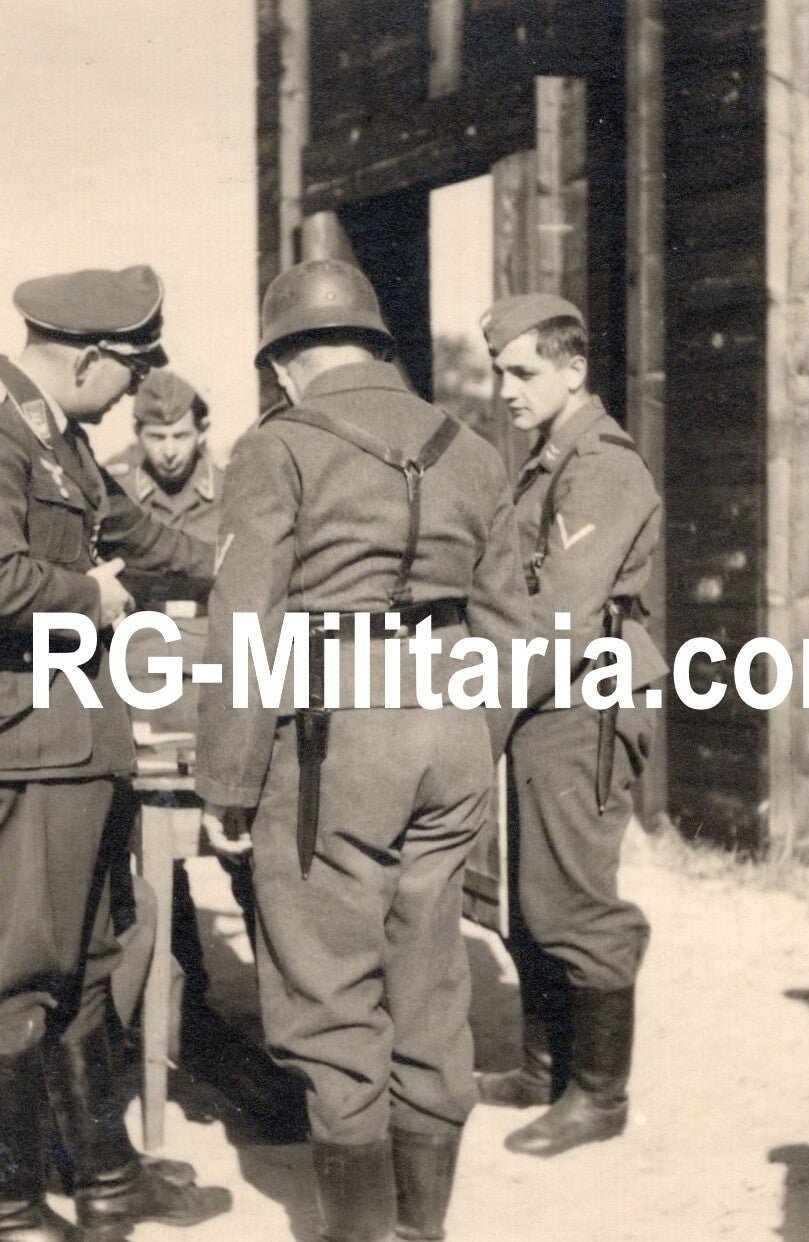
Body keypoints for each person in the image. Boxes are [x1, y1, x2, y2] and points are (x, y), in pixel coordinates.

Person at [196, 258, 531, 1242]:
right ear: (378, 348)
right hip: (451, 725)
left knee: (328, 994)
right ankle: (421, 1231)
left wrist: (228, 780)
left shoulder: (277, 446)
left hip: (334, 733)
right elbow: (513, 626)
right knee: (427, 977)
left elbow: (246, 622)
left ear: (288, 360)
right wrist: (475, 730)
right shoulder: (471, 448)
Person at [0, 265, 231, 1239]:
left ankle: (104, 1176)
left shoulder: (63, 443)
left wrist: (244, 563)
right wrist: (89, 597)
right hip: (32, 746)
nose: (138, 393)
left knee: (94, 961)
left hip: (83, 747)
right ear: (90, 355)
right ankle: (11, 1201)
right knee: (17, 976)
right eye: (132, 371)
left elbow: (138, 536)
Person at [476, 293, 668, 1158]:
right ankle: (543, 1068)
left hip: (580, 699)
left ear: (573, 368)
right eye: (498, 372)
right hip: (545, 699)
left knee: (574, 904)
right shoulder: (549, 458)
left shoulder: (600, 465)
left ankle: (599, 1097)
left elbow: (559, 617)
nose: (505, 388)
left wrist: (480, 710)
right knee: (528, 898)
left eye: (522, 371)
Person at [105, 369, 302, 1138]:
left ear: (201, 429)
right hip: (146, 706)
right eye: (155, 438)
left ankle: (290, 1038)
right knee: (155, 889)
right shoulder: (116, 488)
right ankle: (197, 1035)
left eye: (181, 436)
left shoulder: (233, 484)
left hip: (222, 701)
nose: (169, 452)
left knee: (259, 867)